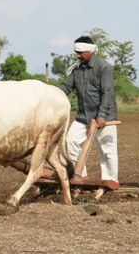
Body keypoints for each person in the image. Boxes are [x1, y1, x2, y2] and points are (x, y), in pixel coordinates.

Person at [58, 35, 119, 197]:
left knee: (107, 151)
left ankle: (110, 182)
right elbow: (66, 86)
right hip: (83, 116)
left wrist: (102, 116)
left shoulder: (104, 68)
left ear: (89, 51)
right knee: (71, 142)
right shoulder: (77, 69)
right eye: (75, 52)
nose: (77, 55)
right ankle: (81, 177)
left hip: (104, 117)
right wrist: (52, 94)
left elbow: (107, 93)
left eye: (80, 52)